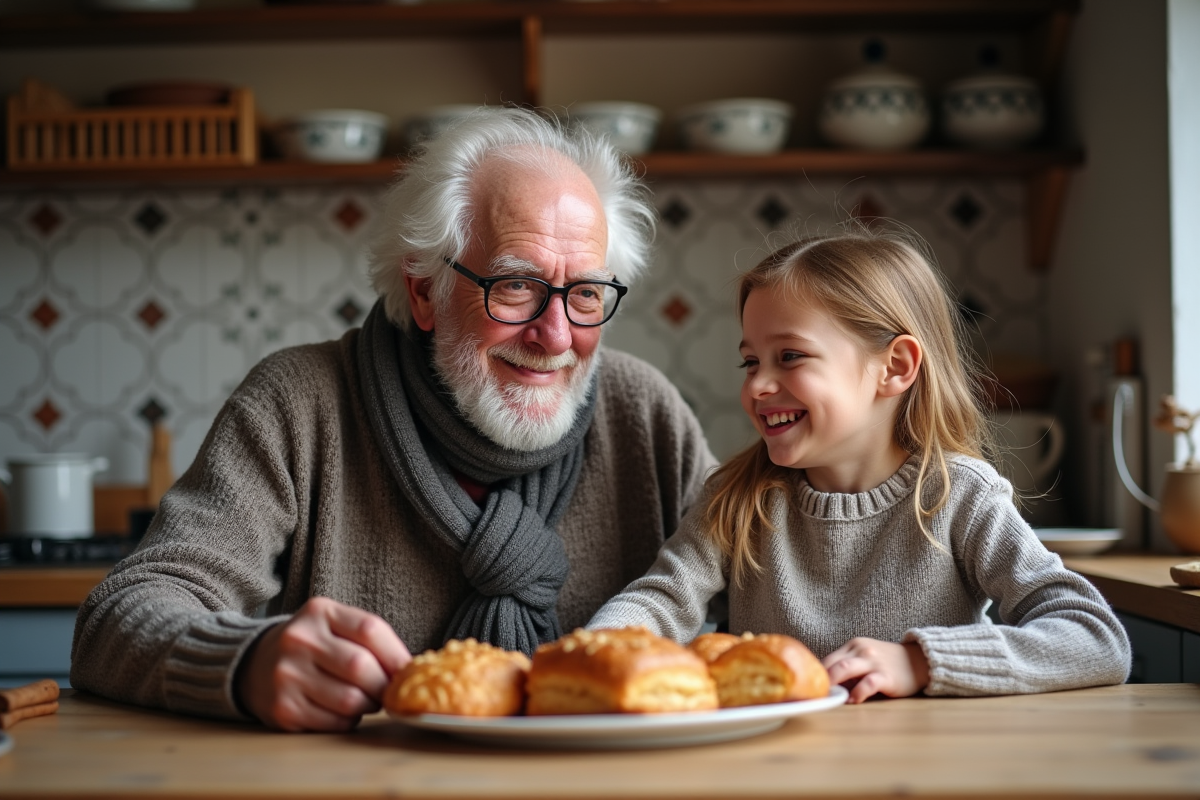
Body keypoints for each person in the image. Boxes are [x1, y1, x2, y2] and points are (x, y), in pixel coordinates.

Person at [71, 108, 717, 731]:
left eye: (584, 294)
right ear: (425, 290)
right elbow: (116, 620)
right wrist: (243, 663)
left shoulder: (644, 412)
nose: (555, 335)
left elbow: (772, 571)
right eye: (517, 285)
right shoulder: (299, 403)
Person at [589, 230, 1131, 703]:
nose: (756, 386)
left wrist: (922, 663)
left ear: (894, 367)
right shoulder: (738, 498)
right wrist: (592, 657)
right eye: (750, 361)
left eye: (790, 357)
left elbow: (1095, 639)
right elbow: (661, 600)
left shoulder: (960, 498)